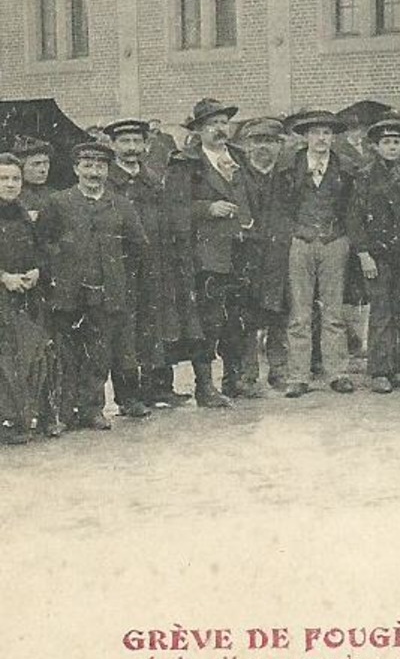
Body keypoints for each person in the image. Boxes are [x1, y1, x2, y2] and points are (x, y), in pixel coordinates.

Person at [38, 142, 147, 431]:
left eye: (100, 166)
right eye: (87, 166)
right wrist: (61, 263)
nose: (93, 172)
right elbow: (43, 242)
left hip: (106, 292)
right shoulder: (59, 202)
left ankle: (92, 409)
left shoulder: (120, 204)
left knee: (98, 353)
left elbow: (137, 246)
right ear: (76, 169)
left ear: (107, 170)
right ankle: (63, 411)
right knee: (66, 353)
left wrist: (117, 274)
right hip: (68, 293)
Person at [105, 113, 200, 414]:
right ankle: (129, 397)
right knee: (126, 329)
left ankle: (160, 387)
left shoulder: (153, 180)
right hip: (121, 266)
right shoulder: (108, 182)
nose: (131, 147)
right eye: (124, 141)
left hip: (156, 263)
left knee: (158, 323)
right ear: (114, 145)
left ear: (146, 144)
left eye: (136, 141)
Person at [176, 100, 259, 405]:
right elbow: (175, 208)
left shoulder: (238, 158)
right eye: (212, 124)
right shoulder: (186, 163)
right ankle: (205, 387)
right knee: (209, 321)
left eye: (224, 122)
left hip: (240, 250)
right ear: (198, 130)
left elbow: (252, 195)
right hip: (208, 256)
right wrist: (207, 208)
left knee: (237, 318)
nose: (220, 129)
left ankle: (233, 379)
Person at [276, 109, 362, 398]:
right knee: (300, 312)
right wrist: (292, 234)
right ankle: (298, 376)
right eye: (315, 133)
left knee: (333, 311)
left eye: (326, 133)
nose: (321, 138)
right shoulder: (290, 166)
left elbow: (352, 208)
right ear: (306, 137)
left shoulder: (345, 167)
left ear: (333, 137)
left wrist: (346, 239)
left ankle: (337, 373)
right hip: (300, 241)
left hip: (334, 241)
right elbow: (280, 205)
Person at [350, 117, 400, 394]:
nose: (392, 147)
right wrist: (363, 254)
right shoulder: (364, 177)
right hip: (376, 254)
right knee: (381, 311)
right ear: (375, 146)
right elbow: (355, 219)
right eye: (386, 142)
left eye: (396, 142)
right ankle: (378, 371)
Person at [236, 118, 292, 392]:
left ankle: (279, 369)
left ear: (280, 146)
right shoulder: (237, 177)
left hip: (278, 255)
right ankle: (247, 373)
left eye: (269, 142)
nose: (263, 148)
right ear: (247, 146)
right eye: (257, 141)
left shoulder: (287, 177)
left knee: (279, 313)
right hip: (247, 256)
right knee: (246, 316)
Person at [0, 154, 52, 443]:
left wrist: (36, 271)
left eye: (15, 179)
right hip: (2, 295)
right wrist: (3, 276)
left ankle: (21, 416)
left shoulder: (23, 213)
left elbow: (39, 250)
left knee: (26, 356)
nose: (10, 184)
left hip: (24, 296)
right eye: (4, 179)